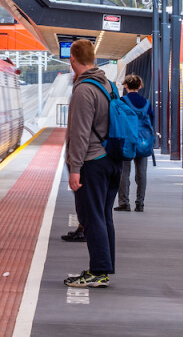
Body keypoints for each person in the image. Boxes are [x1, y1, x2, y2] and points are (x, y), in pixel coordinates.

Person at [64, 38, 123, 289]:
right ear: (94, 59)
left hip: (93, 162)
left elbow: (79, 133)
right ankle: (104, 267)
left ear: (72, 59)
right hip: (112, 160)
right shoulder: (108, 85)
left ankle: (98, 271)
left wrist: (74, 169)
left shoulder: (83, 90)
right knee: (103, 216)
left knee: (91, 217)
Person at [116, 74, 154, 212]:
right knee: (141, 174)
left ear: (126, 86)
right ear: (140, 86)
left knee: (124, 173)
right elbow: (151, 123)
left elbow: (117, 120)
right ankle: (140, 203)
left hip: (127, 141)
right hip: (143, 141)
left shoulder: (122, 101)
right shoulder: (147, 103)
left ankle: (124, 203)